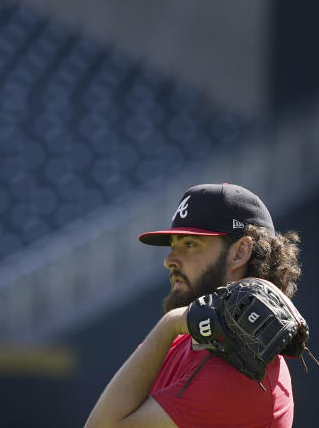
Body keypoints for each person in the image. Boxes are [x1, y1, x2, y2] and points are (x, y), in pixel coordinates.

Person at [84, 183, 303, 428]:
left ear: (239, 253)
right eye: (173, 246)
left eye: (190, 244)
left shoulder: (243, 375)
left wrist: (169, 323)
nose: (169, 261)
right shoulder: (184, 337)